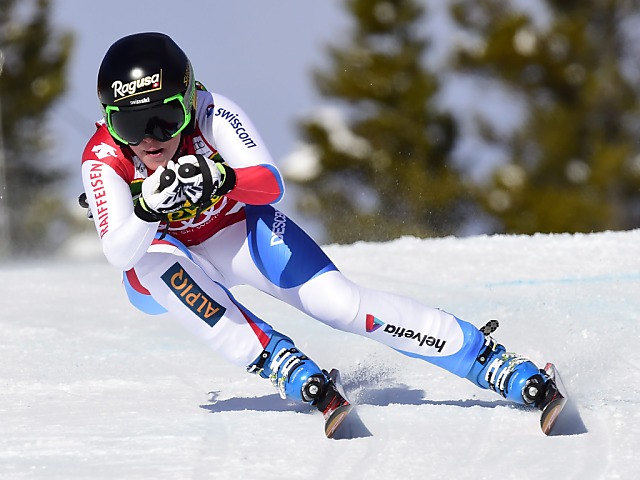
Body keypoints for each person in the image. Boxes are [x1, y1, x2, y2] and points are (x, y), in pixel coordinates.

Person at [81, 32, 555, 432]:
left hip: (235, 232)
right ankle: (276, 360)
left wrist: (222, 178)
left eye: (163, 119)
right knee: (152, 260)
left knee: (341, 304)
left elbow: (269, 184)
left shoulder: (212, 112)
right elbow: (120, 254)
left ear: (188, 99)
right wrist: (144, 209)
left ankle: (486, 360)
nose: (149, 140)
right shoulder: (103, 157)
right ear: (108, 120)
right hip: (166, 262)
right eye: (129, 124)